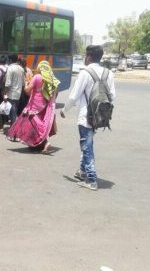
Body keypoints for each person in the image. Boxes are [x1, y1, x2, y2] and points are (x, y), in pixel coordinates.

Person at [60, 45, 116, 191]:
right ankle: (82, 171)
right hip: (100, 116)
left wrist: (64, 110)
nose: (85, 58)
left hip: (86, 116)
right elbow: (113, 96)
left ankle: (91, 180)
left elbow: (74, 96)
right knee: (88, 142)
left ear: (89, 57)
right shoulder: (108, 73)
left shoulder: (85, 73)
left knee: (87, 146)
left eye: (86, 55)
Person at [7, 61, 60, 153]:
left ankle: (46, 143)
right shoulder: (52, 79)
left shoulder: (37, 77)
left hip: (35, 104)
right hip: (46, 105)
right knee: (39, 122)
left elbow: (27, 91)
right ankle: (38, 143)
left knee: (35, 123)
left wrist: (27, 83)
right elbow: (56, 93)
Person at [3, 54, 25, 128]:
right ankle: (14, 131)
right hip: (18, 94)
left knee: (13, 114)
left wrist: (5, 95)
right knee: (14, 112)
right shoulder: (21, 69)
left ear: (10, 60)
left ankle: (14, 133)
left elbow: (7, 83)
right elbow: (23, 83)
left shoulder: (10, 68)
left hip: (11, 94)